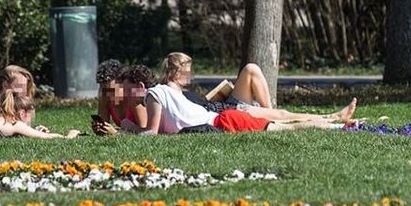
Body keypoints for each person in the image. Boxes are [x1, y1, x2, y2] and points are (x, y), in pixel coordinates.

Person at [124, 53, 357, 135]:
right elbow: (158, 128)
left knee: (284, 121)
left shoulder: (169, 92)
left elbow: (153, 130)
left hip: (224, 116)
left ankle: (335, 121)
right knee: (284, 120)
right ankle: (335, 120)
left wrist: (127, 128)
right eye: (187, 71)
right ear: (175, 72)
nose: (190, 75)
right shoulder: (164, 93)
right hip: (224, 115)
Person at [93, 63, 151, 136]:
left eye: (112, 90)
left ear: (123, 84)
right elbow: (104, 130)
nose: (108, 95)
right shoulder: (106, 98)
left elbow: (147, 133)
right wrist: (100, 128)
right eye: (104, 90)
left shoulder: (134, 100)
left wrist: (116, 133)